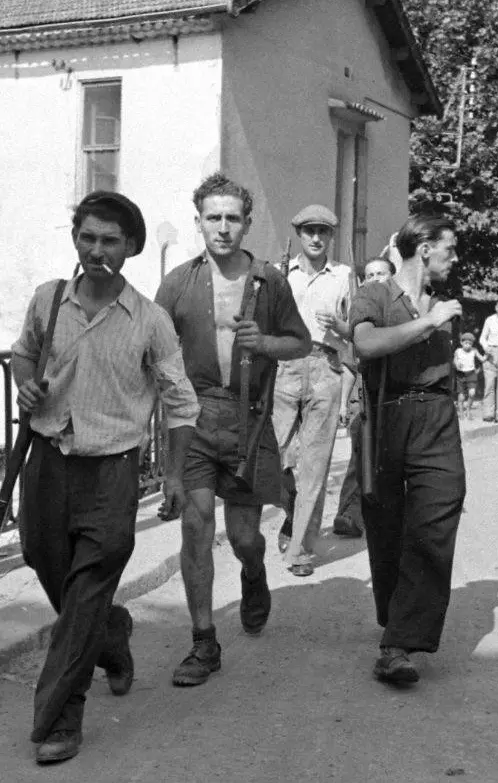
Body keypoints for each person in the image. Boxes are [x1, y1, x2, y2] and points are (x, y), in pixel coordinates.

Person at [12, 191, 200, 765]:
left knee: (87, 587)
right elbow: (23, 355)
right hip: (47, 463)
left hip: (113, 473)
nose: (97, 251)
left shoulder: (151, 321)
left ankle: (61, 719)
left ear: (132, 248)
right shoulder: (48, 302)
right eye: (88, 238)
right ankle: (112, 634)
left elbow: (181, 403)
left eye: (110, 241)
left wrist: (172, 475)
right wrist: (25, 382)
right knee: (49, 568)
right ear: (76, 240)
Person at [154, 173, 310, 687]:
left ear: (247, 223)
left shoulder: (269, 281)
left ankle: (253, 573)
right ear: (199, 221)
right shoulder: (178, 282)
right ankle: (204, 642)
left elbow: (301, 343)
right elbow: (153, 355)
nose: (223, 227)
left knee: (244, 538)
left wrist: (263, 343)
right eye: (213, 217)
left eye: (233, 218)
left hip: (250, 418)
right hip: (194, 419)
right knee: (196, 527)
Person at [349, 213, 465, 686]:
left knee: (437, 515)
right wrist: (428, 325)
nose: (454, 259)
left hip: (437, 418)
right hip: (387, 416)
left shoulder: (443, 303)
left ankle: (398, 645)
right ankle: (396, 618)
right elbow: (365, 343)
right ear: (424, 249)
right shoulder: (375, 293)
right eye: (449, 249)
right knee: (387, 523)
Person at [270, 205, 354, 577]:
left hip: (325, 366)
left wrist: (341, 325)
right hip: (284, 369)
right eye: (309, 231)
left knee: (315, 462)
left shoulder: (344, 277)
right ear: (298, 234)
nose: (316, 238)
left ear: (331, 236)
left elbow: (358, 330)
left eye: (323, 231)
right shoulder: (279, 273)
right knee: (278, 457)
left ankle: (301, 547)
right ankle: (292, 516)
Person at [330, 255, 395, 539]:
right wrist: (344, 403)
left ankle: (386, 516)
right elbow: (348, 366)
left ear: (392, 277)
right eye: (369, 275)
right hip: (364, 400)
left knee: (392, 461)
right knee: (359, 456)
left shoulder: (401, 312)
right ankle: (347, 515)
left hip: (395, 400)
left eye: (381, 273)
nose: (375, 279)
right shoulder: (360, 317)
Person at [453, 332, 488, 418]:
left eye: (470, 343)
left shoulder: (474, 350)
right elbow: (454, 361)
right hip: (461, 375)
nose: (468, 345)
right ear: (461, 343)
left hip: (471, 374)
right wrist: (457, 365)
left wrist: (487, 353)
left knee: (472, 393)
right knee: (461, 397)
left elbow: (482, 359)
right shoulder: (458, 351)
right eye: (466, 343)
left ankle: (468, 409)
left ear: (472, 344)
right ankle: (461, 412)